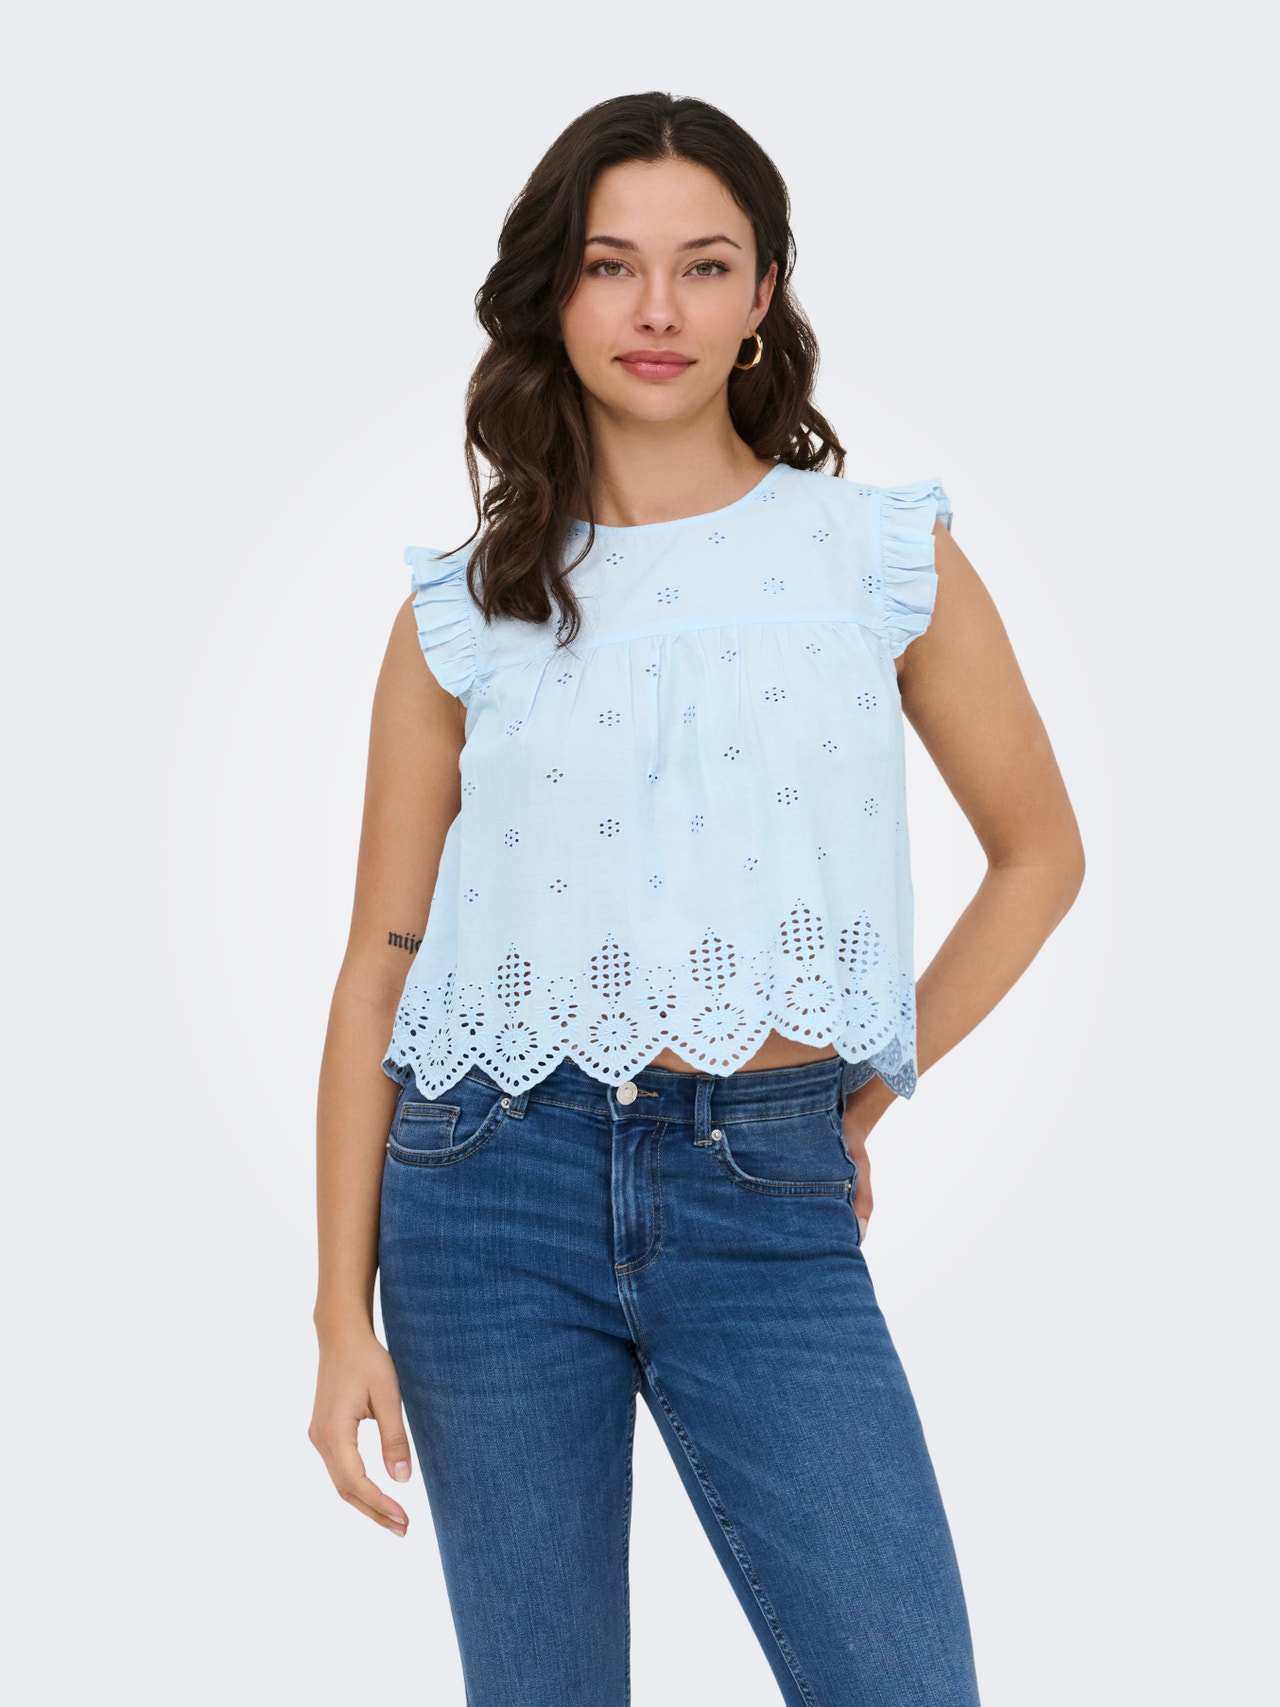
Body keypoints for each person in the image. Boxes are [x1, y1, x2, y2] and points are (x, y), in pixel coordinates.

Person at [308, 90, 1085, 1707]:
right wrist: (337, 1314)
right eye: (611, 265)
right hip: (482, 1192)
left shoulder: (878, 556)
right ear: (555, 293)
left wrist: (859, 1098)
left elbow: (1040, 857)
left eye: (704, 264)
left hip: (766, 1190)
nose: (656, 309)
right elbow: (380, 971)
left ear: (762, 294)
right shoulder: (462, 611)